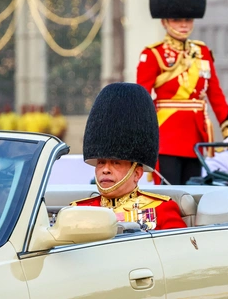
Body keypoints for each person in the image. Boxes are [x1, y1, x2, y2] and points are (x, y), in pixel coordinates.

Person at [136, 0, 228, 185]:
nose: (184, 24)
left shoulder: (202, 52)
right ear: (165, 21)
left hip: (197, 136)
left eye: (187, 19)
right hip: (166, 137)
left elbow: (216, 95)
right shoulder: (153, 54)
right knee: (169, 198)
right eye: (177, 19)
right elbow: (141, 100)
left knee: (193, 198)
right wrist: (141, 139)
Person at [70, 83, 187, 230]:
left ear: (137, 173)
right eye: (101, 162)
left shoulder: (161, 210)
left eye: (116, 163)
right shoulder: (77, 210)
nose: (105, 170)